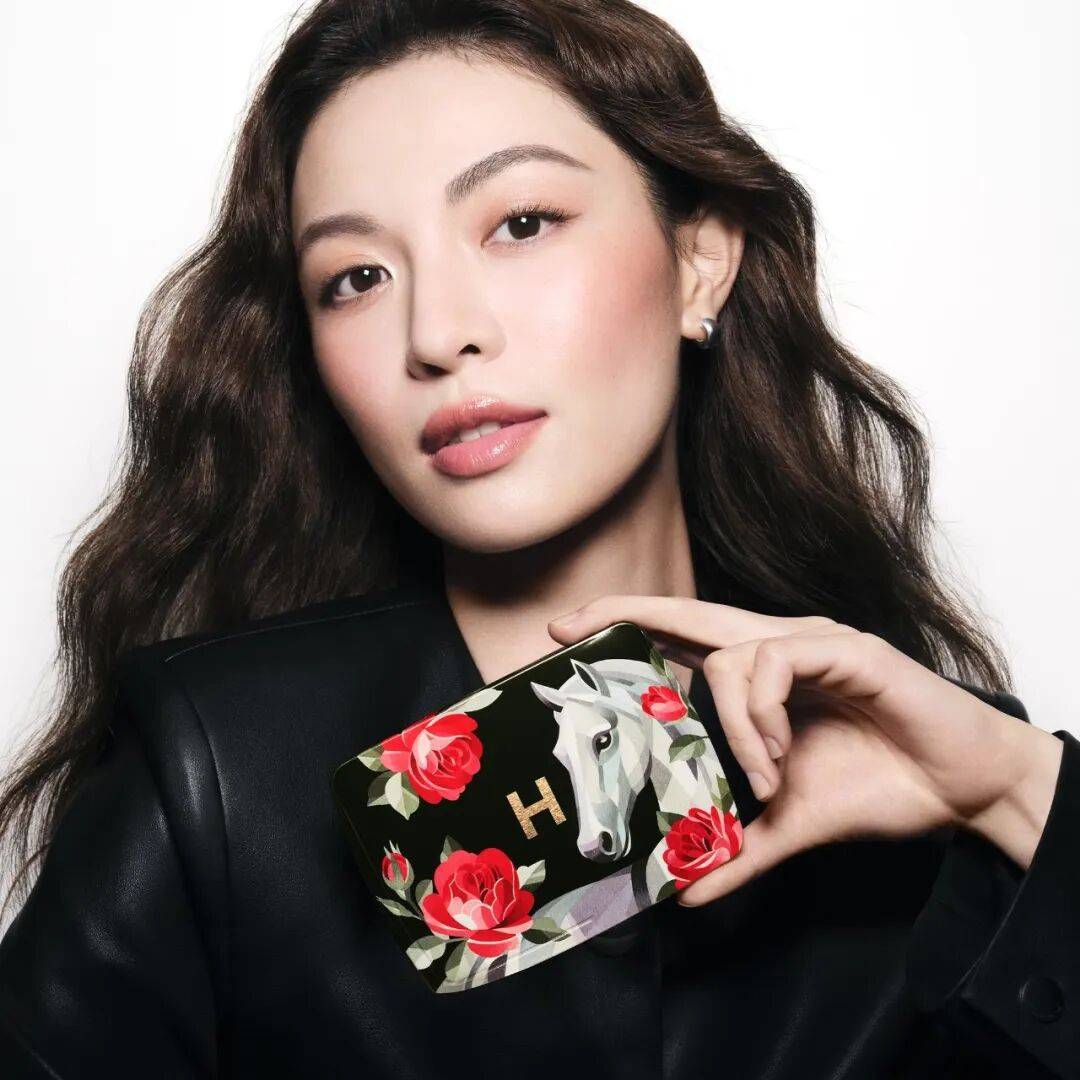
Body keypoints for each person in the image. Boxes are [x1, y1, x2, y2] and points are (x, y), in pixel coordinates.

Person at [0, 0, 1075, 1076]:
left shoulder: (939, 769)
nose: (438, 334)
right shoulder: (213, 780)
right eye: (357, 278)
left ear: (700, 261)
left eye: (520, 223)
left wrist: (1021, 790)